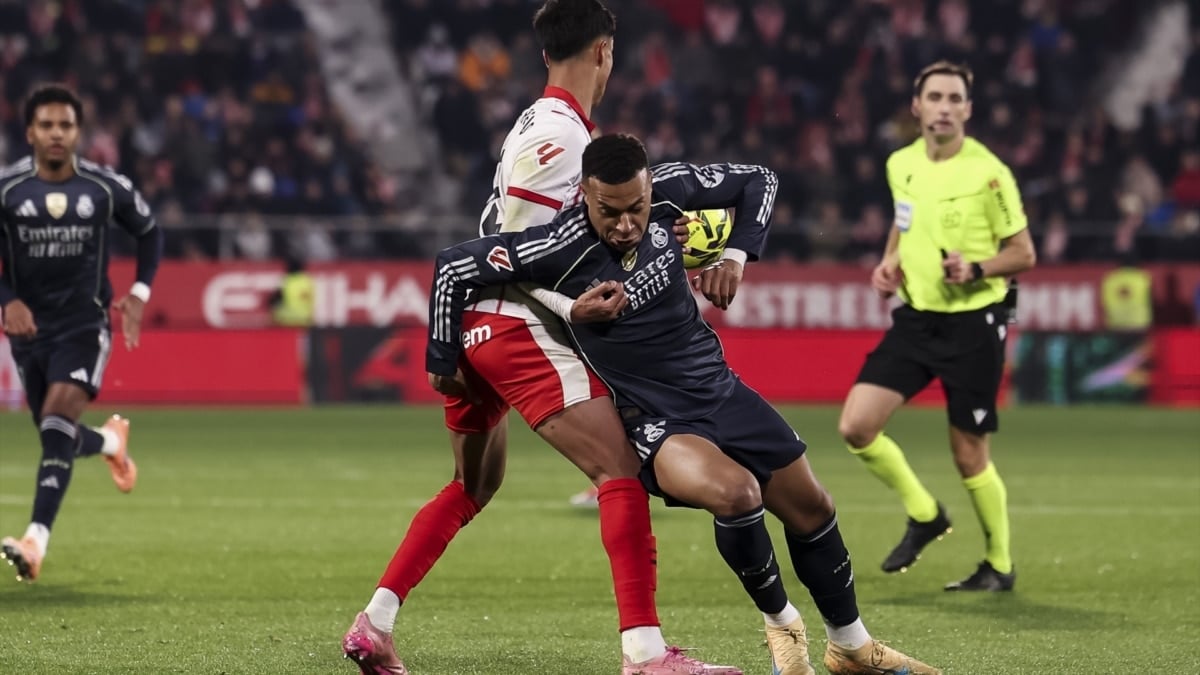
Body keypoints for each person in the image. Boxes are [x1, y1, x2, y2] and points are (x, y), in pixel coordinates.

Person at [427, 133, 940, 675]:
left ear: (651, 188)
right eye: (610, 212)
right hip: (653, 416)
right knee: (736, 494)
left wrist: (737, 256)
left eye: (637, 208)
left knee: (814, 507)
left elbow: (760, 181)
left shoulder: (671, 193)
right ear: (585, 195)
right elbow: (454, 267)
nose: (627, 224)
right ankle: (784, 627)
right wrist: (442, 362)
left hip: (718, 386)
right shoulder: (555, 246)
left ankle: (852, 647)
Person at [342, 3, 737, 673]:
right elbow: (513, 249)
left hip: (482, 328)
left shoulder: (541, 121)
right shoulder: (558, 135)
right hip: (512, 325)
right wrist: (570, 305)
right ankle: (645, 653)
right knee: (619, 470)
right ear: (604, 54)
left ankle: (374, 622)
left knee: (472, 485)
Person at [836, 61, 1037, 591]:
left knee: (968, 453)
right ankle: (925, 514)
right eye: (935, 97)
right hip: (917, 317)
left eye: (954, 99)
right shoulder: (901, 163)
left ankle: (998, 563)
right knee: (856, 426)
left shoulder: (988, 173)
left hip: (974, 321)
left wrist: (976, 269)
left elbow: (1023, 253)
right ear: (917, 106)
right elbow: (903, 222)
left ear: (968, 110)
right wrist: (889, 263)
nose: (944, 107)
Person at [0, 84, 163, 583]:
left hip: (84, 326)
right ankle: (111, 444)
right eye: (46, 125)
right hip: (29, 332)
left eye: (65, 125)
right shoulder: (8, 191)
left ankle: (35, 541)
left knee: (54, 424)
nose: (56, 134)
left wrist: (138, 291)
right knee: (57, 435)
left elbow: (150, 231)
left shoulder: (103, 187)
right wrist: (7, 299)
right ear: (30, 132)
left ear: (78, 132)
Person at [268, 256, 315, 327]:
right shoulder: (307, 280)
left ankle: (274, 334)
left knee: (275, 310)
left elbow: (276, 299)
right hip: (306, 318)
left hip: (290, 317)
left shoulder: (288, 280)